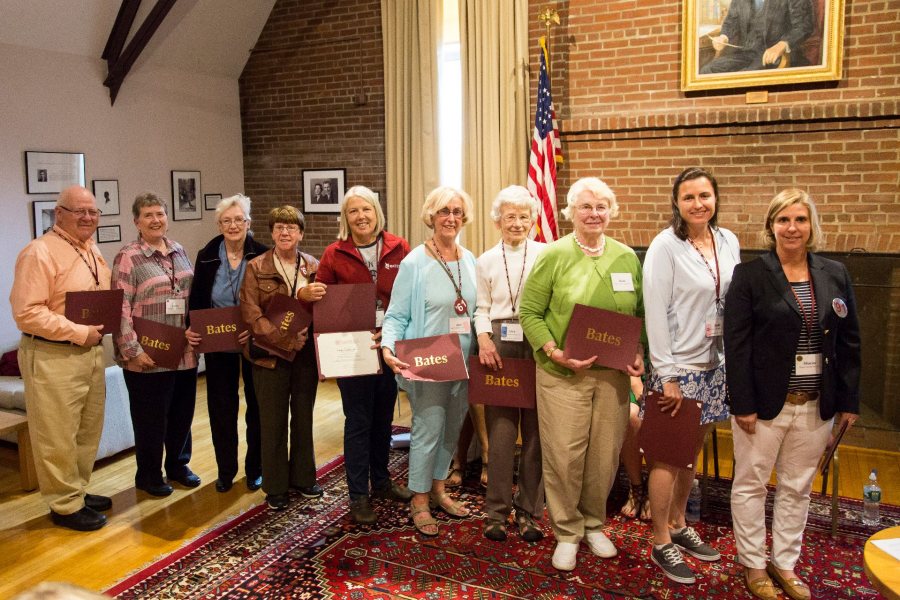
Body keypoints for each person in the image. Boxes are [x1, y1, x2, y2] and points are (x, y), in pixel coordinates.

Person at [724, 189, 860, 600]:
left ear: (811, 225)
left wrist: (849, 401)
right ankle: (754, 565)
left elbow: (850, 341)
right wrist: (743, 403)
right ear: (771, 226)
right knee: (750, 484)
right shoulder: (750, 275)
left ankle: (784, 564)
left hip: (816, 404)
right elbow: (737, 344)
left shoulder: (835, 273)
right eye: (783, 220)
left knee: (797, 487)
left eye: (800, 220)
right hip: (764, 406)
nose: (792, 228)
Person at [520, 177, 645, 571]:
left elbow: (637, 314)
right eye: (586, 206)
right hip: (562, 374)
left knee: (604, 455)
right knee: (565, 455)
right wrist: (555, 352)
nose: (594, 213)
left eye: (601, 206)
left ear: (611, 212)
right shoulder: (553, 255)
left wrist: (638, 352)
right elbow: (529, 313)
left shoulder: (627, 256)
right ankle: (567, 532)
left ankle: (594, 524)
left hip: (613, 377)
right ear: (571, 212)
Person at [642, 167, 741, 584]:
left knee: (691, 453)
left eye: (705, 195)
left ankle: (680, 524)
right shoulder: (665, 247)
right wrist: (666, 374)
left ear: (715, 198)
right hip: (677, 368)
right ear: (676, 204)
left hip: (713, 364)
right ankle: (660, 539)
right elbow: (655, 313)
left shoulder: (728, 240)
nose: (698, 204)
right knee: (668, 457)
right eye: (689, 198)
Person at [10, 186, 111, 531]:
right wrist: (79, 332)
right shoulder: (39, 253)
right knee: (56, 433)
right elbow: (27, 313)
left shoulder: (90, 250)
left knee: (86, 429)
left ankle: (77, 491)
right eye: (79, 211)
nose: (87, 218)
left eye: (93, 212)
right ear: (59, 214)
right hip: (53, 355)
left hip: (90, 353)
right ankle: (64, 504)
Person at [381, 186, 477, 537]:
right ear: (431, 217)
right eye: (443, 211)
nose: (450, 218)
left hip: (463, 363)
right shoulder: (415, 262)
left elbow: (475, 311)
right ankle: (419, 499)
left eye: (456, 211)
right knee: (427, 430)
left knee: (452, 429)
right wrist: (388, 348)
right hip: (428, 361)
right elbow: (395, 314)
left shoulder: (469, 259)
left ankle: (438, 489)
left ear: (463, 218)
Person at [316, 185, 414, 524]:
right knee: (358, 420)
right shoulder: (333, 254)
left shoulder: (400, 247)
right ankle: (358, 495)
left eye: (366, 209)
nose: (361, 216)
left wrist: (390, 329)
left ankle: (383, 481)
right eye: (354, 211)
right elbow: (323, 303)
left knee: (384, 417)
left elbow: (411, 294)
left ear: (377, 212)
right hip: (352, 349)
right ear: (346, 217)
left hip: (388, 345)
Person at [112, 192, 199, 498]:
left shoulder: (179, 250)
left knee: (181, 414)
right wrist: (133, 350)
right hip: (148, 353)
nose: (155, 220)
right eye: (148, 215)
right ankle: (149, 475)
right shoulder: (128, 257)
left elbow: (190, 297)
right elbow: (119, 308)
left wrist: (196, 330)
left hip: (184, 350)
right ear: (136, 222)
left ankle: (178, 466)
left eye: (160, 214)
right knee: (151, 419)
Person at [474, 186, 547, 543]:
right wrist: (484, 338)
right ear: (497, 220)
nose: (516, 223)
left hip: (537, 343)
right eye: (509, 217)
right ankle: (496, 513)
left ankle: (530, 512)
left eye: (523, 216)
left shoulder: (548, 255)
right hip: (499, 344)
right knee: (501, 433)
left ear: (533, 220)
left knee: (536, 434)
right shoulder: (485, 260)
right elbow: (481, 308)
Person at [240, 205, 325, 511]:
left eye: (291, 228)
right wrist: (285, 339)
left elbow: (321, 311)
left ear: (301, 233)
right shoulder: (256, 267)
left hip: (304, 357)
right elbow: (251, 314)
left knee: (303, 418)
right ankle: (275, 486)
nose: (284, 233)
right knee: (272, 421)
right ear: (271, 233)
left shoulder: (313, 266)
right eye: (278, 228)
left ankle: (303, 478)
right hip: (269, 356)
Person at [187, 194, 268, 493]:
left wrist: (258, 330)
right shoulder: (207, 254)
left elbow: (271, 300)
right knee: (221, 407)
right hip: (217, 341)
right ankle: (225, 470)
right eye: (226, 220)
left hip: (253, 340)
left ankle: (255, 469)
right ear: (219, 225)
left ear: (248, 223)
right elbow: (197, 298)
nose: (233, 225)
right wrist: (190, 329)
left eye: (239, 219)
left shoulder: (262, 253)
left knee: (257, 407)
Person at [701, 0, 815, 74]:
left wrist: (782, 45)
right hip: (746, 54)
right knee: (707, 71)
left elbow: (804, 26)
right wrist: (723, 37)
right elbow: (731, 21)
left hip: (777, 56)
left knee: (745, 77)